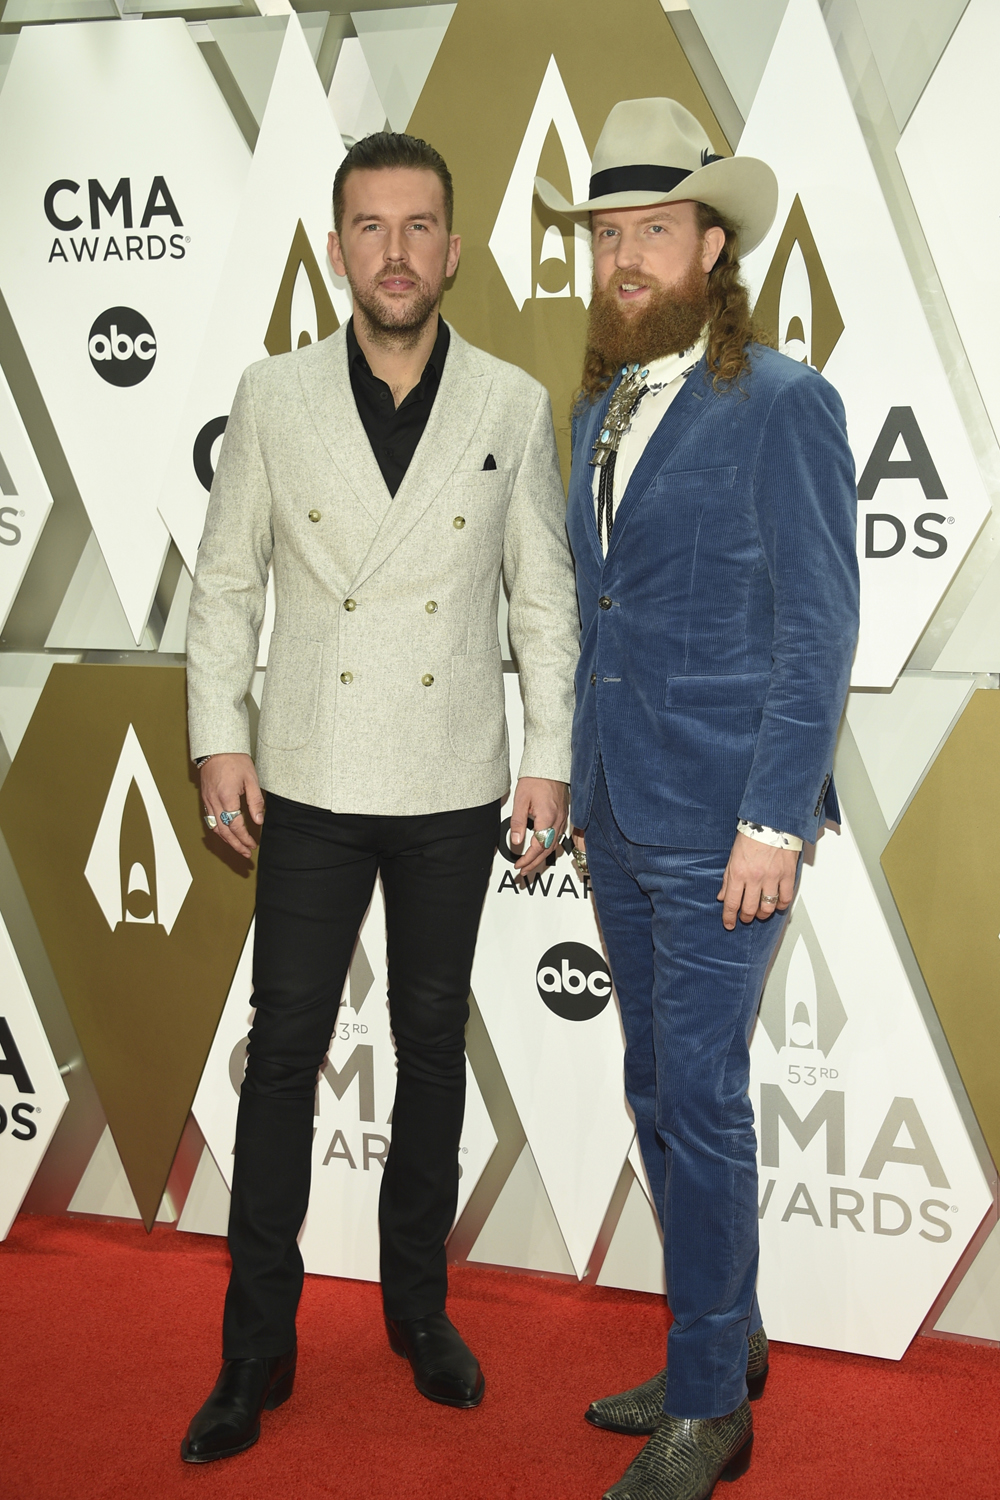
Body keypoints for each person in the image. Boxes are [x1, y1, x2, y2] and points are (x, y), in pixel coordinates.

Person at [182, 130, 578, 1464]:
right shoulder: (273, 395)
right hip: (304, 771)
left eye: (419, 227)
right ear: (338, 245)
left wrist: (549, 755)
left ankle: (419, 1312)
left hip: (453, 776)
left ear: (452, 251)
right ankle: (254, 1350)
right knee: (280, 1052)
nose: (396, 251)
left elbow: (544, 600)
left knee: (428, 1053)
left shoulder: (512, 404)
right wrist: (213, 737)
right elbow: (227, 585)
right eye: (370, 226)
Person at [536, 99, 859, 1500]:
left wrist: (775, 821)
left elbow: (819, 631)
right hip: (620, 810)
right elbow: (599, 609)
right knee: (658, 1086)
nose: (625, 260)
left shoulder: (784, 402)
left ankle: (712, 1404)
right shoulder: (601, 404)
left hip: (730, 823)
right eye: (609, 236)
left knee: (704, 1097)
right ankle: (717, 1345)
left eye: (653, 233)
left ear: (711, 243)